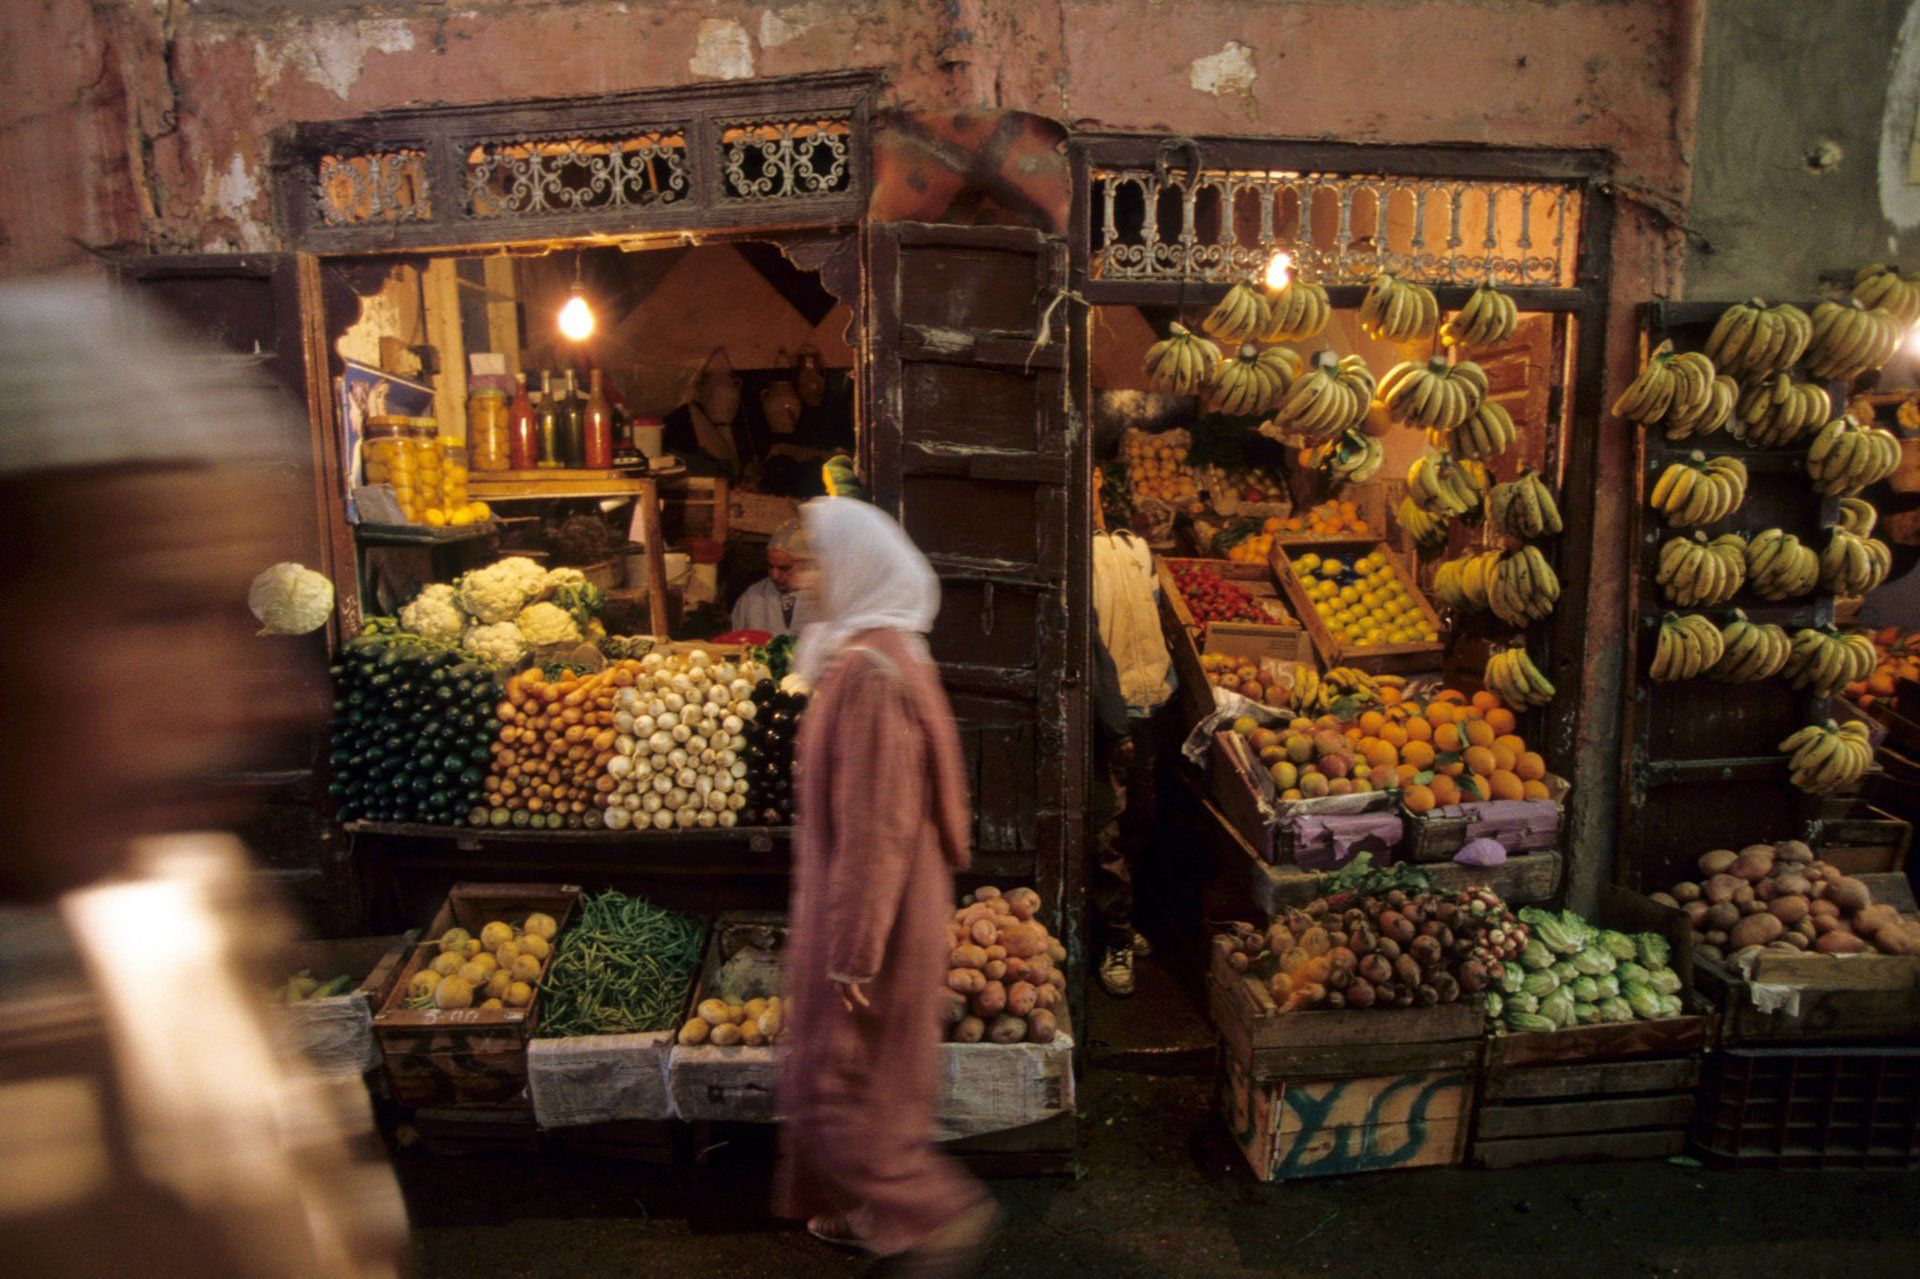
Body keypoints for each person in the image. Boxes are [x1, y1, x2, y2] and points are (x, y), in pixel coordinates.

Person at [776, 497, 998, 1275]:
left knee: (846, 1078)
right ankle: (864, 1208)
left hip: (878, 909)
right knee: (864, 1076)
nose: (806, 579)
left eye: (817, 562)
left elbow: (878, 828)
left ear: (857, 568)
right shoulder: (880, 645)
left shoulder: (871, 674)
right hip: (879, 899)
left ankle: (937, 1217)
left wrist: (853, 953)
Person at [1089, 527, 1176, 997]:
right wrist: (1113, 724)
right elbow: (1093, 651)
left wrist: (1171, 689)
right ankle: (1113, 940)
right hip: (1116, 715)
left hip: (1151, 708)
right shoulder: (1077, 552)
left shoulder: (1135, 547)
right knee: (1109, 832)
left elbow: (1158, 620)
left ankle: (1121, 921)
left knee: (1141, 819)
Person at [730, 518, 820, 636]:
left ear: (805, 563)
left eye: (784, 568)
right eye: (770, 566)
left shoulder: (824, 597)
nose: (774, 575)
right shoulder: (752, 598)